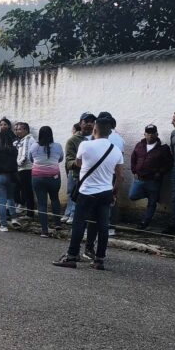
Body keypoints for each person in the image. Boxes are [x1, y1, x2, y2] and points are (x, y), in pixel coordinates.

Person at [53, 116, 123, 270]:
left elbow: (78, 163)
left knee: (79, 224)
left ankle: (71, 256)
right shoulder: (116, 149)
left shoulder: (85, 145)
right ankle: (99, 260)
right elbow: (120, 176)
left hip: (86, 192)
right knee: (103, 226)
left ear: (95, 129)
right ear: (110, 132)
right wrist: (114, 193)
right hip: (105, 192)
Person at [130, 124, 173, 229]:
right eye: (148, 133)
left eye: (153, 133)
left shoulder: (163, 147)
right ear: (144, 134)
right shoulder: (139, 145)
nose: (150, 135)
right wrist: (134, 170)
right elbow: (133, 158)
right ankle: (149, 194)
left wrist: (160, 172)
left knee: (152, 203)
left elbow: (169, 163)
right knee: (132, 195)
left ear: (157, 134)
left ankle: (145, 222)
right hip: (140, 178)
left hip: (154, 180)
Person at [29, 126, 64, 236]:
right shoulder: (58, 146)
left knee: (42, 203)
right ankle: (57, 224)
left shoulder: (34, 146)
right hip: (54, 177)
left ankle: (44, 230)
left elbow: (31, 159)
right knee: (55, 199)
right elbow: (60, 159)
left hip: (37, 178)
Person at [64, 114, 96, 224]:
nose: (89, 124)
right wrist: (80, 163)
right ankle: (70, 215)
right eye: (86, 121)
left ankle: (75, 216)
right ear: (80, 123)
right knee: (73, 195)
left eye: (92, 122)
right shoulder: (72, 140)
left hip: (93, 176)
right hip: (77, 175)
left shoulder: (97, 139)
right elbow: (69, 161)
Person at [0, 126, 19, 232]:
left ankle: (3, 225)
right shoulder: (14, 149)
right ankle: (14, 218)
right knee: (11, 198)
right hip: (11, 176)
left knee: (1, 200)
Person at [14, 122, 36, 218]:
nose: (17, 131)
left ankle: (30, 213)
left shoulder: (28, 139)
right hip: (24, 168)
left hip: (26, 169)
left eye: (19, 129)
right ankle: (28, 211)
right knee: (26, 191)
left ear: (26, 130)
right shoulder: (23, 139)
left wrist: (17, 164)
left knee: (27, 191)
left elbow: (25, 156)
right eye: (16, 129)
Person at [62, 122, 81, 222]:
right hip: (71, 170)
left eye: (73, 129)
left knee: (75, 193)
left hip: (77, 171)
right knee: (70, 192)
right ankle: (68, 213)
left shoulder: (80, 140)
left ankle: (72, 214)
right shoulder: (72, 141)